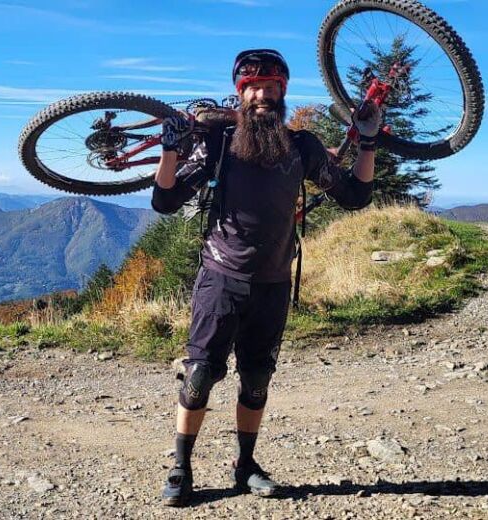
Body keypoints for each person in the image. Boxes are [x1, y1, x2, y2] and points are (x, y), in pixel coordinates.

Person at [151, 48, 382, 506]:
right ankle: (181, 467)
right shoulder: (219, 143)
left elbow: (356, 195)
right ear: (240, 94)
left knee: (256, 379)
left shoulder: (302, 148)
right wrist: (170, 151)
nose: (261, 95)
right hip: (221, 278)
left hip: (274, 283)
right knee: (199, 376)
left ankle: (246, 466)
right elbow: (166, 201)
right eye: (252, 88)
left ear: (282, 93)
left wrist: (370, 142)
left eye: (270, 87)